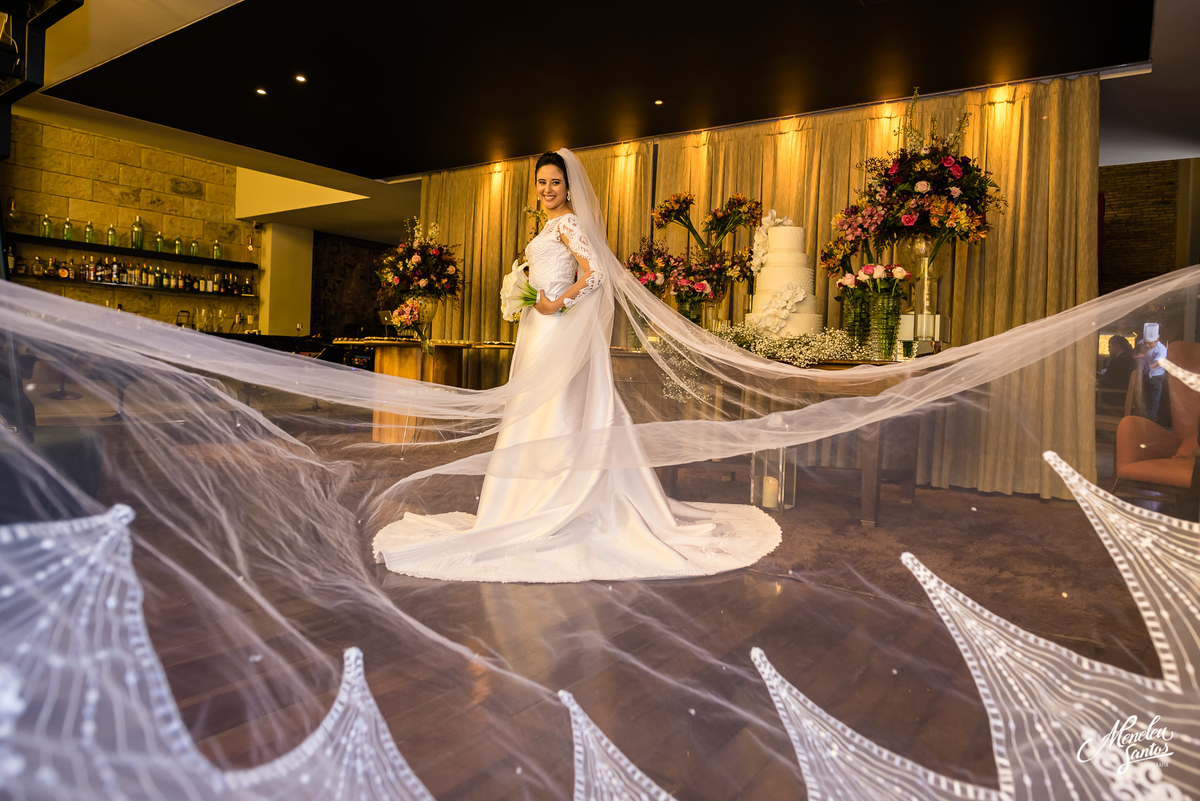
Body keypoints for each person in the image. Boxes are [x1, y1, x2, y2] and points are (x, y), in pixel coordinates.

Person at [371, 149, 781, 582]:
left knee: (555, 407)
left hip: (555, 325)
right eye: (542, 182)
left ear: (569, 188)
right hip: (539, 327)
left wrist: (554, 301)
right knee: (535, 408)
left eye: (555, 183)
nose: (548, 190)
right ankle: (521, 502)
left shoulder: (567, 222)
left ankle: (555, 501)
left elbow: (596, 273)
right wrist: (529, 295)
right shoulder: (550, 224)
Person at [1140, 322, 1168, 423]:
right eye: (1145, 342)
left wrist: (1146, 368)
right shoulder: (1141, 343)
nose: (1147, 345)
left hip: (1156, 376)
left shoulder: (1162, 349)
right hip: (1143, 375)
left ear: (1157, 340)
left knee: (1153, 400)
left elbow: (1158, 362)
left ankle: (1152, 422)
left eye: (1150, 343)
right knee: (1143, 398)